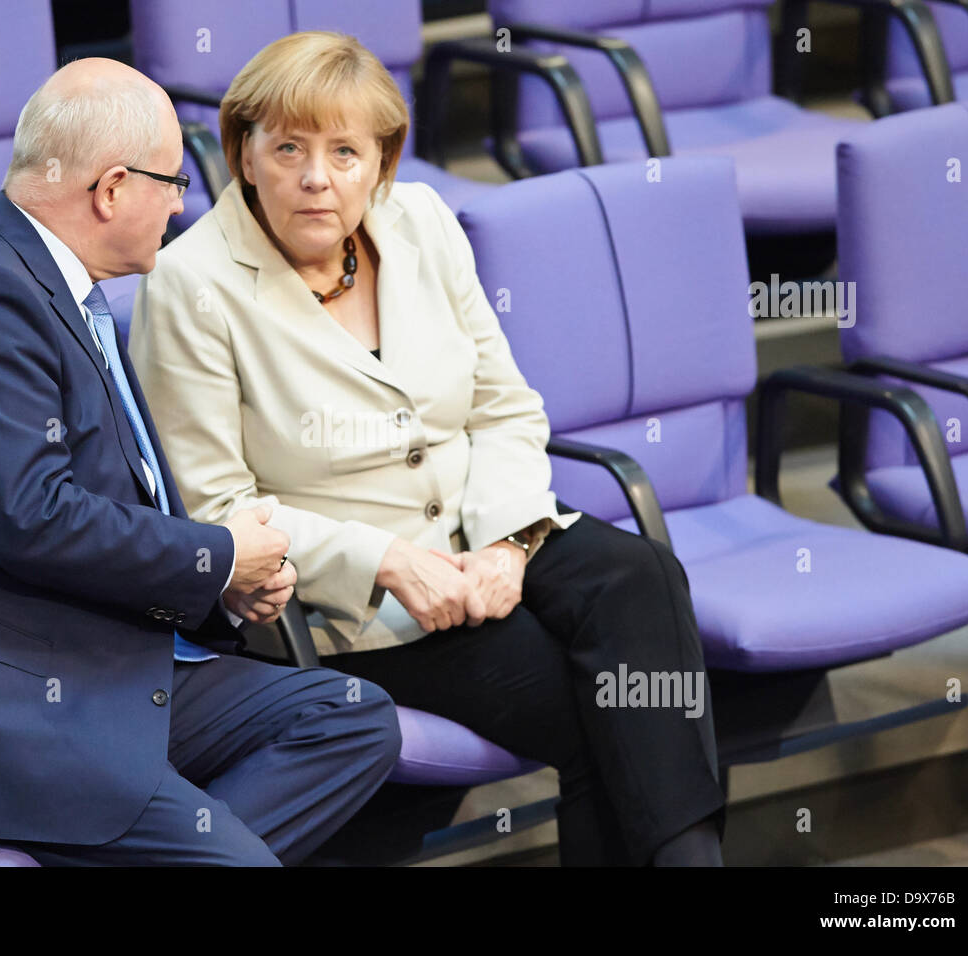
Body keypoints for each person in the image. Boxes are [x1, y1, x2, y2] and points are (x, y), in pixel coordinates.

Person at [0, 58, 401, 866]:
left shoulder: (62, 286)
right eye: (173, 184)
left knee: (352, 718)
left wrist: (226, 581)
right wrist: (218, 557)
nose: (181, 206)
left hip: (102, 658)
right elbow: (31, 520)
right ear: (112, 189)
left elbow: (114, 493)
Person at [132, 32, 726, 866]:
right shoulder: (191, 284)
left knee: (641, 575)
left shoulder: (421, 223)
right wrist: (385, 560)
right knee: (607, 712)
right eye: (289, 148)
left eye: (345, 151)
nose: (316, 177)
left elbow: (506, 408)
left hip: (483, 533)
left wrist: (510, 541)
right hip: (356, 601)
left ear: (382, 161)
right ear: (244, 154)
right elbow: (214, 511)